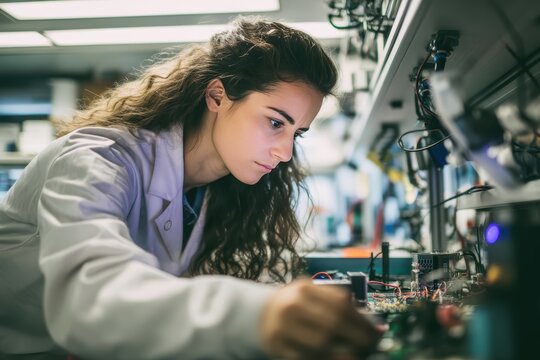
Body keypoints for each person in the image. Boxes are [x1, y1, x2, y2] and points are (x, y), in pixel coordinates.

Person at [0, 17, 382, 359]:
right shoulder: (98, 158)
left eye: (296, 133)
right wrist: (255, 314)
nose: (285, 153)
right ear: (217, 95)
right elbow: (88, 296)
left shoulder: (219, 192)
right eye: (275, 122)